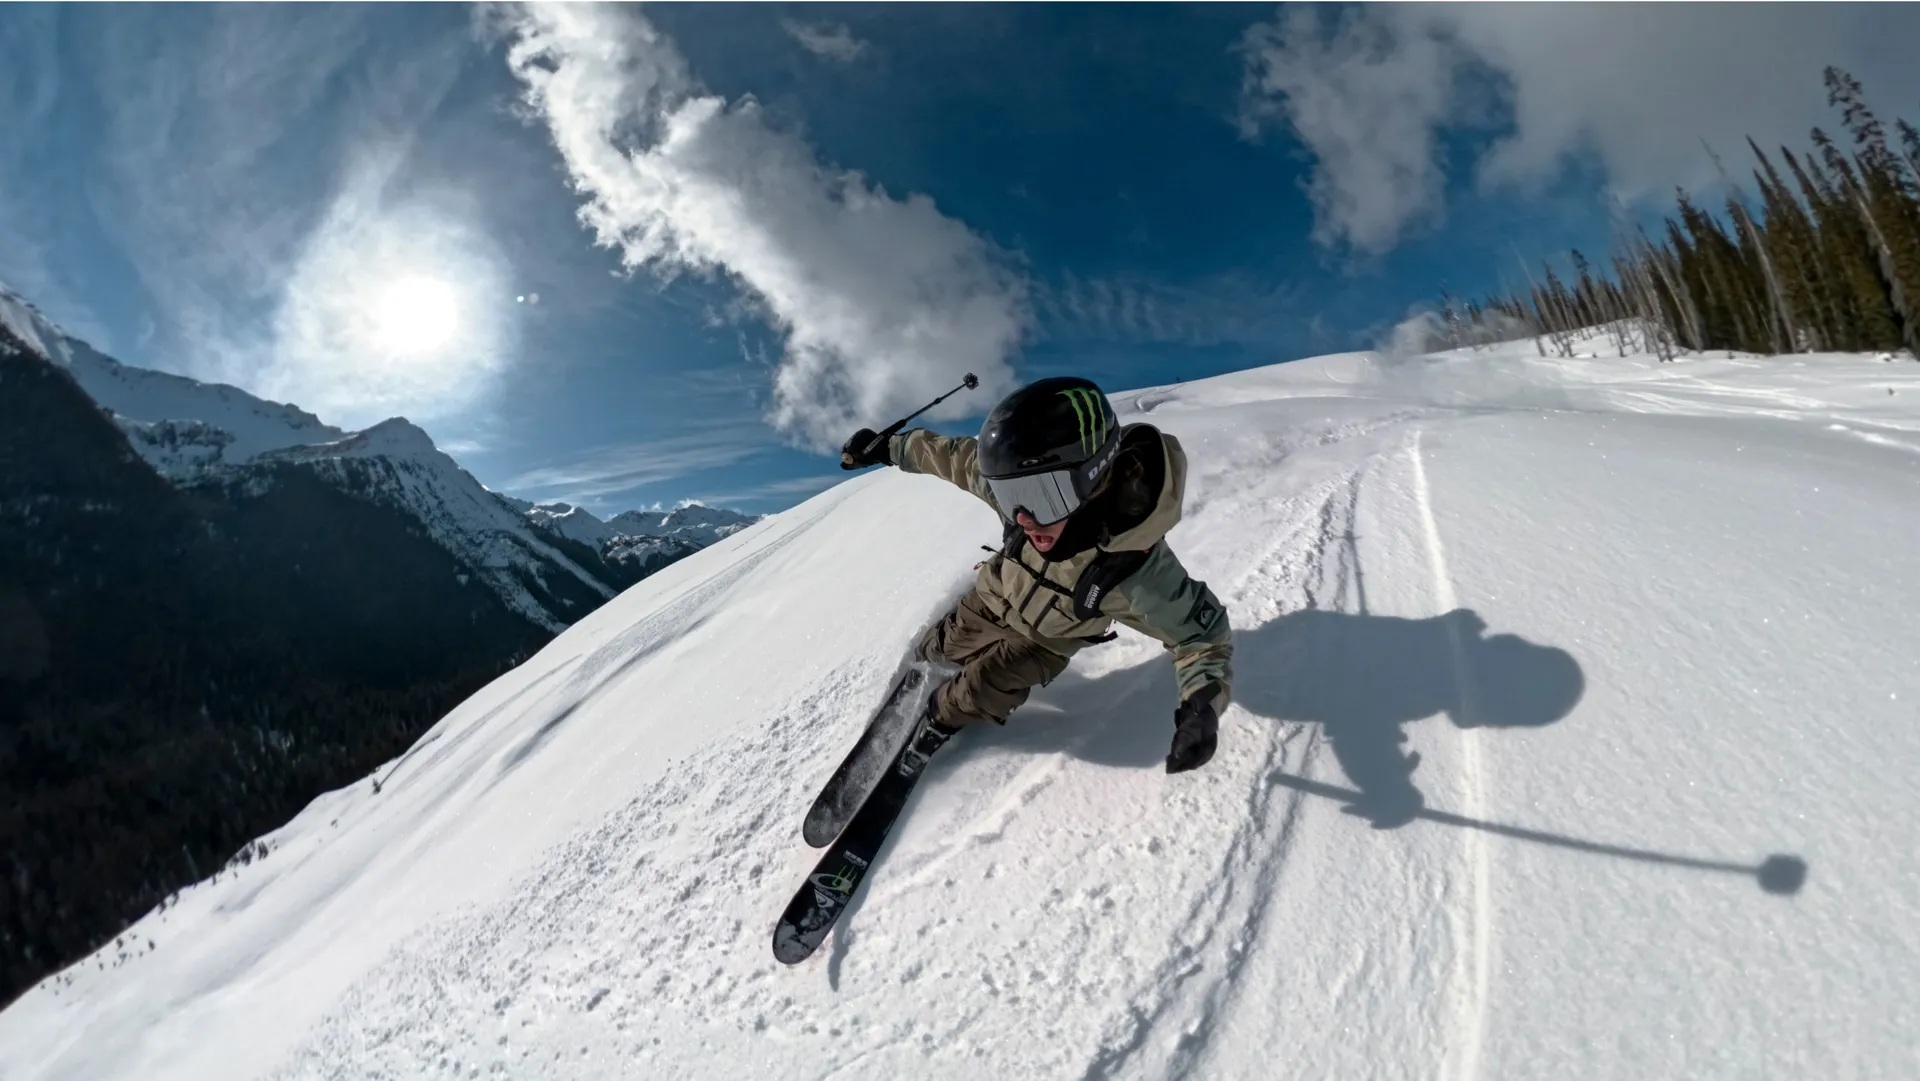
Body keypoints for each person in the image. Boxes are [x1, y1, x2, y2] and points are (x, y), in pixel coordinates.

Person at [841, 376, 1233, 773]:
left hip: (1044, 641)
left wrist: (1201, 706)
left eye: (1044, 497)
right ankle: (931, 671)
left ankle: (939, 722)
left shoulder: (1135, 568)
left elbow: (1201, 637)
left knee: (978, 690)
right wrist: (889, 448)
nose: (1025, 519)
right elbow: (953, 457)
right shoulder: (1026, 499)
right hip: (990, 600)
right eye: (1010, 496)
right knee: (938, 650)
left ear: (1094, 478)